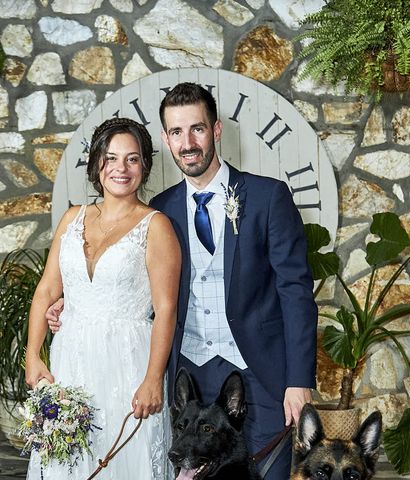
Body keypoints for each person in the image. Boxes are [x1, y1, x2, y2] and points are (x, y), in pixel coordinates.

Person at [48, 83, 318, 478]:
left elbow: (295, 292)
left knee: (270, 474)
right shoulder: (158, 212)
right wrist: (70, 304)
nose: (187, 142)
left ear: (217, 130)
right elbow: (130, 283)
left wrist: (298, 380)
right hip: (188, 377)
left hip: (261, 374)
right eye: (176, 132)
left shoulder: (268, 197)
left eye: (197, 129)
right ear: (165, 138)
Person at [24, 117, 181, 480]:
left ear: (144, 165)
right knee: (67, 462)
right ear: (97, 163)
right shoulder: (70, 219)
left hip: (128, 363)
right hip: (71, 360)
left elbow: (166, 309)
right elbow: (47, 290)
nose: (121, 169)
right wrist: (33, 355)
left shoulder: (156, 226)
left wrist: (153, 378)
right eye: (111, 158)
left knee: (123, 460)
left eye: (132, 159)